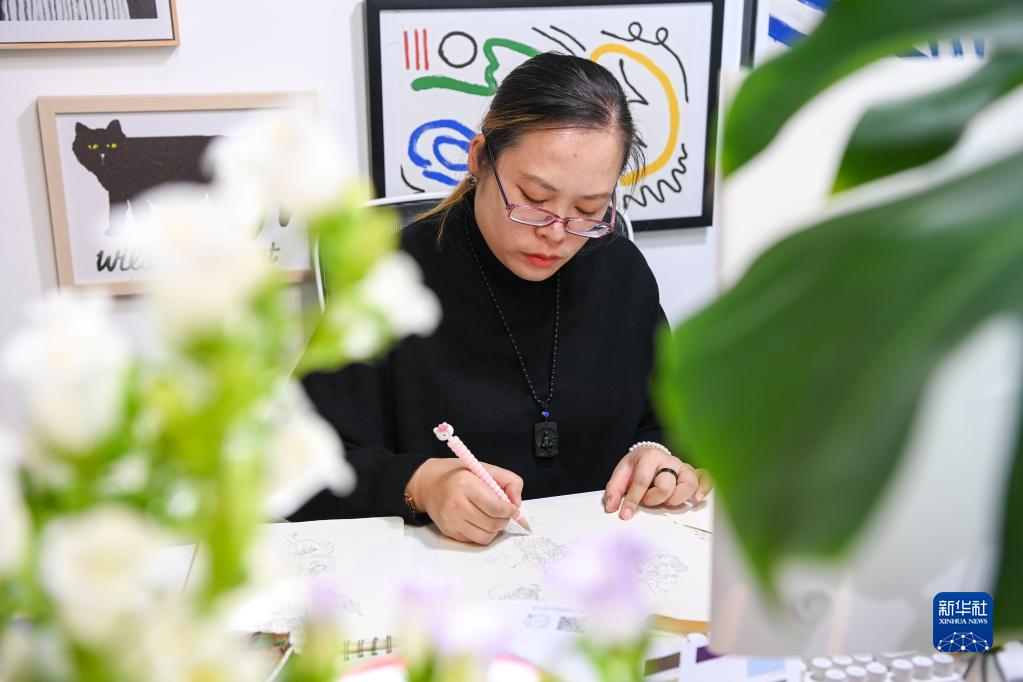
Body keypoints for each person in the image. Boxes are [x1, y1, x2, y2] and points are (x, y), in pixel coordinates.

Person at [294, 52, 711, 544]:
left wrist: (658, 456)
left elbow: (667, 421)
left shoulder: (619, 270)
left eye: (588, 208)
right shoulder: (385, 280)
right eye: (534, 199)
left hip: (604, 561)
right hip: (445, 570)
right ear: (479, 158)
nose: (557, 233)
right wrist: (419, 485)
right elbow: (295, 469)